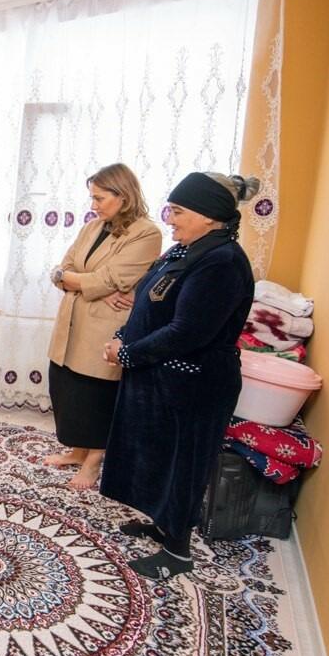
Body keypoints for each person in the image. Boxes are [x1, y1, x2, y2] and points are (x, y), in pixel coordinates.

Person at [100, 171, 260, 580]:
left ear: (208, 216)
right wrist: (123, 336)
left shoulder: (222, 262)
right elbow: (147, 304)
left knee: (184, 463)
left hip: (195, 384)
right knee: (158, 455)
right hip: (162, 378)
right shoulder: (185, 250)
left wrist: (128, 353)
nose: (169, 219)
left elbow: (188, 332)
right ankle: (161, 522)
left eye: (178, 211)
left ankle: (178, 552)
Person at [44, 164, 162, 489]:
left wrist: (80, 281)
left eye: (99, 198)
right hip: (71, 322)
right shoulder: (92, 227)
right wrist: (85, 283)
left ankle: (93, 461)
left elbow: (109, 279)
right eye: (92, 198)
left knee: (96, 396)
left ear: (123, 196)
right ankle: (77, 451)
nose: (93, 205)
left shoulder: (146, 233)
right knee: (68, 389)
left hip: (104, 327)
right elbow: (60, 269)